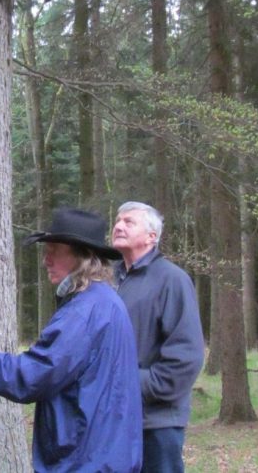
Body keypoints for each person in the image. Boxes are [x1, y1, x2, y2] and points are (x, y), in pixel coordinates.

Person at [0, 208, 143, 472]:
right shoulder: (104, 302)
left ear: (80, 256)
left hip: (86, 460)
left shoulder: (84, 312)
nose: (45, 260)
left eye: (53, 251)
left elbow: (33, 376)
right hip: (104, 454)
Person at [110, 202, 204, 473]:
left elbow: (187, 357)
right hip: (113, 420)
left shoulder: (172, 280)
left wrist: (130, 384)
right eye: (117, 221)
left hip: (156, 423)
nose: (118, 226)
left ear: (152, 236)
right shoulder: (109, 280)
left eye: (129, 222)